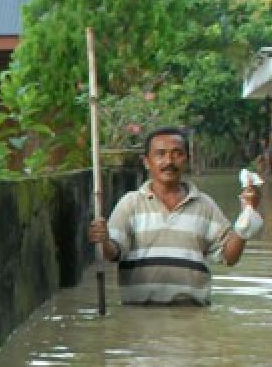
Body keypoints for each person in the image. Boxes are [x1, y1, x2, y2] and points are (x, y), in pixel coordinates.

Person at [88, 126, 262, 306]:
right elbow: (113, 253)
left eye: (177, 153)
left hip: (191, 316)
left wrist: (247, 216)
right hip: (139, 317)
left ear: (186, 159)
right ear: (147, 161)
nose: (169, 161)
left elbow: (229, 257)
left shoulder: (204, 205)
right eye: (160, 154)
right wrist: (104, 240)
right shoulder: (130, 204)